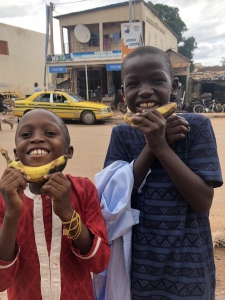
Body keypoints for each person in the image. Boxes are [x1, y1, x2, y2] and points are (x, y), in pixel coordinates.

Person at [93, 46, 223, 299]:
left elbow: (202, 202)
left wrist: (162, 147)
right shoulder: (121, 134)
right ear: (123, 93)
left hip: (189, 268)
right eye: (133, 84)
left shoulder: (195, 127)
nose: (144, 90)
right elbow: (114, 202)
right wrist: (153, 146)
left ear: (174, 86)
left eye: (156, 80)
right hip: (138, 267)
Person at [0, 109, 110, 300]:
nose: (36, 139)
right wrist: (11, 214)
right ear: (16, 154)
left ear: (69, 151)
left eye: (50, 133)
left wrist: (68, 213)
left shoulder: (83, 190)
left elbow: (99, 263)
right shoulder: (4, 197)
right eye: (26, 135)